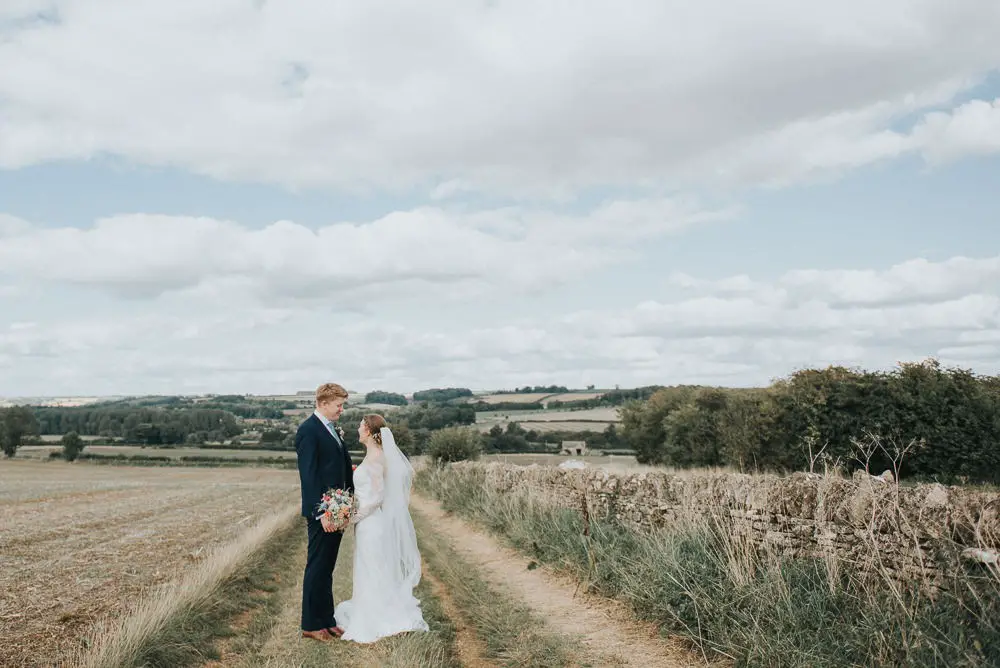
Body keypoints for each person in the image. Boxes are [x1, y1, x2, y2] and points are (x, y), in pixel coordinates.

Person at [334, 413, 429, 643]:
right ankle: (372, 610)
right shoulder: (373, 455)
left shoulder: (376, 457)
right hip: (368, 522)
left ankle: (378, 618)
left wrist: (352, 517)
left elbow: (376, 496)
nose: (357, 429)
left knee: (373, 567)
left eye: (360, 426)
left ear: (369, 430)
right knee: (370, 566)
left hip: (372, 522)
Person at [296, 382, 354, 642]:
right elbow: (308, 477)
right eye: (338, 405)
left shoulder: (331, 429)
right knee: (316, 567)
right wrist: (322, 513)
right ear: (323, 403)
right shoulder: (309, 431)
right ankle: (310, 624)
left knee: (327, 568)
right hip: (323, 513)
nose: (341, 409)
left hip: (337, 509)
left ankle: (327, 620)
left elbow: (337, 466)